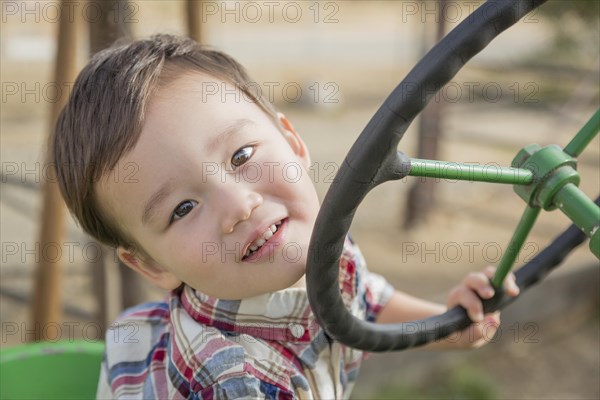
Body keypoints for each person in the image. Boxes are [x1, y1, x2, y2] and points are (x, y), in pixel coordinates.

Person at [52, 34, 519, 399]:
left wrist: (447, 324)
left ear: (293, 143)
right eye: (183, 208)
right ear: (153, 266)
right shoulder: (230, 383)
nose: (238, 205)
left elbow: (365, 302)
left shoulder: (321, 241)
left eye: (242, 155)